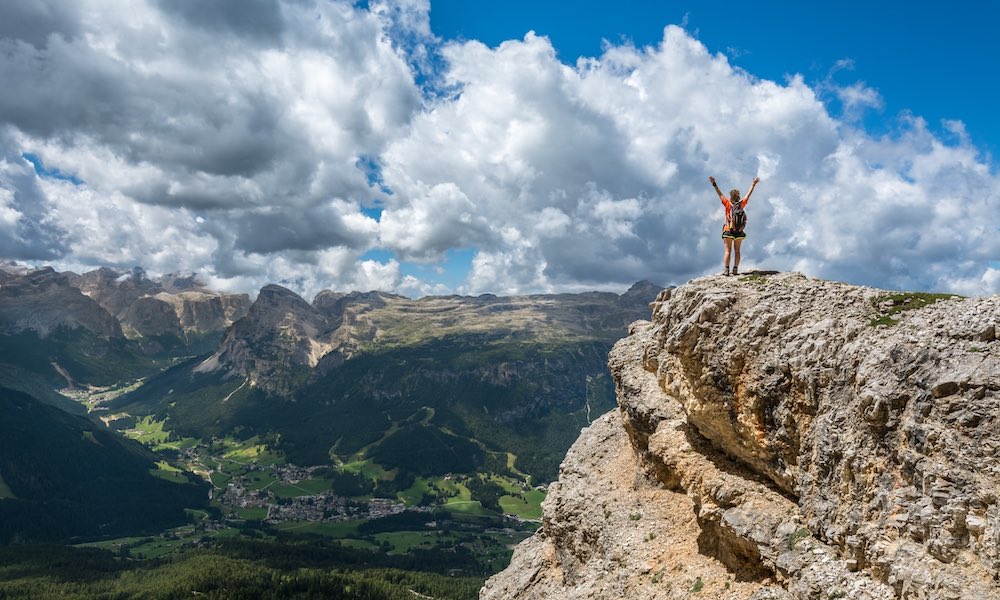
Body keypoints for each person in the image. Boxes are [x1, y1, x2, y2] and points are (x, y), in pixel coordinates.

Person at [709, 175, 760, 276]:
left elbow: (719, 194)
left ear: (730, 196)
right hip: (739, 231)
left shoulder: (727, 203)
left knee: (728, 251)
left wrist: (714, 184)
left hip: (728, 230)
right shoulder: (741, 204)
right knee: (737, 251)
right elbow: (748, 195)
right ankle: (735, 269)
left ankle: (726, 270)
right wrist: (753, 185)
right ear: (738, 196)